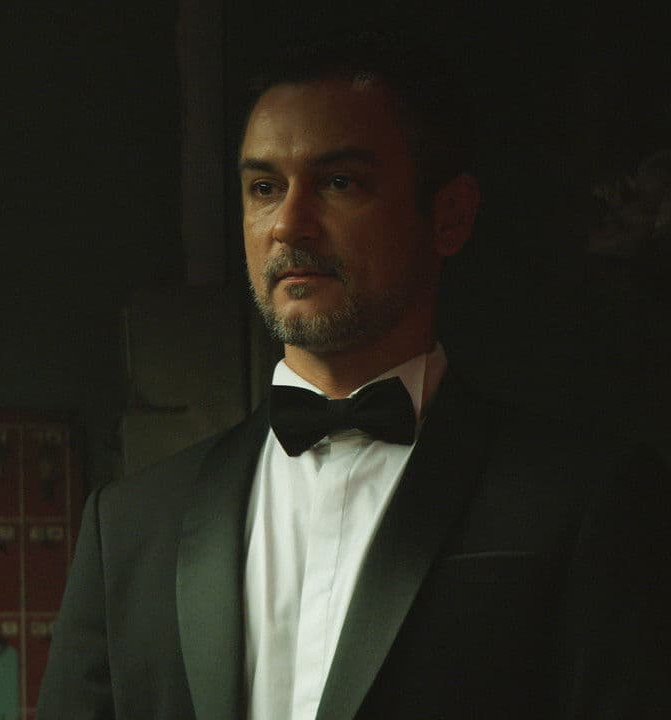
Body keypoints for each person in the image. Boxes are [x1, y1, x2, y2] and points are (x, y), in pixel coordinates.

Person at [37, 34, 671, 720]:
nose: (289, 225)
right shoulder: (127, 529)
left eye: (340, 182)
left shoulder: (588, 503)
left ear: (451, 216)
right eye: (264, 188)